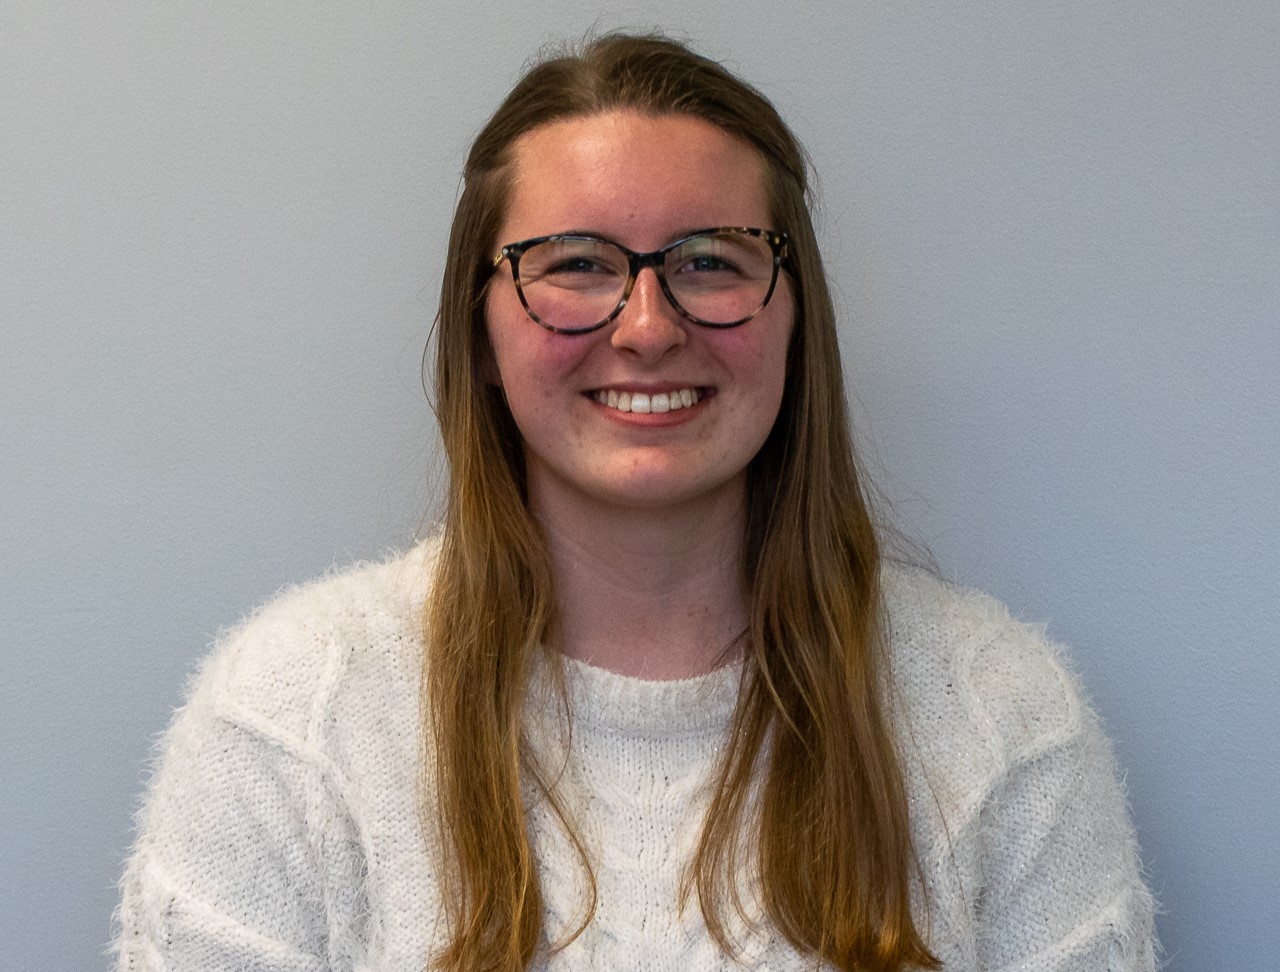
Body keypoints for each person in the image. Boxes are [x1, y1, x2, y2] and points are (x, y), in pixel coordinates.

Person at [114, 32, 1157, 972]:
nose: (648, 326)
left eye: (709, 260)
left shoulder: (1000, 719)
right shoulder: (291, 720)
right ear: (478, 331)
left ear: (796, 322)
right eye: (574, 264)